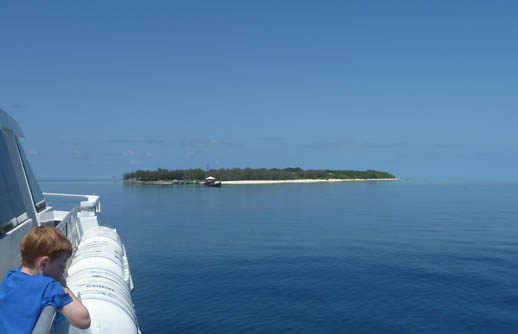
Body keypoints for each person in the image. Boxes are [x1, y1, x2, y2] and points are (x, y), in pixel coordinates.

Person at [0, 226, 91, 333]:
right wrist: (63, 286)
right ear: (44, 263)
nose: (63, 272)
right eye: (60, 266)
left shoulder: (10, 276)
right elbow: (84, 320)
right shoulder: (48, 286)